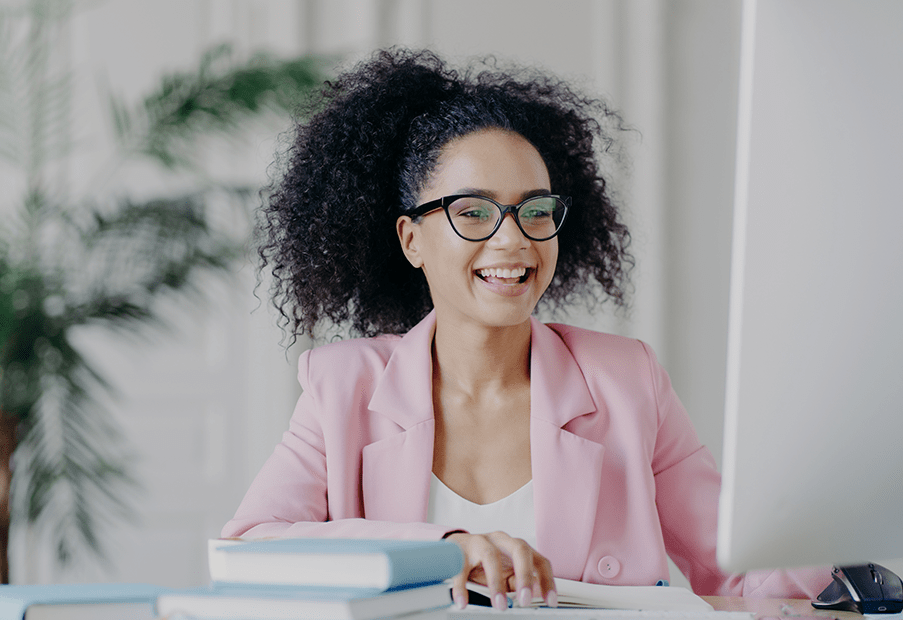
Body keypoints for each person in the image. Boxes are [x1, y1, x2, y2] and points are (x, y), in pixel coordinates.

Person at [221, 48, 828, 609]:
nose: (512, 239)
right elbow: (251, 548)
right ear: (412, 240)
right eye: (474, 212)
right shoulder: (341, 386)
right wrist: (442, 549)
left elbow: (747, 570)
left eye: (535, 210)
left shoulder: (627, 379)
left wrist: (845, 550)